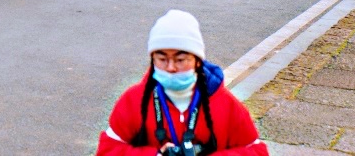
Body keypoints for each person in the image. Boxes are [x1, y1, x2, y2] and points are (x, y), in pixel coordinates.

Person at [95, 9, 267, 155]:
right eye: (162, 59)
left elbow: (257, 150)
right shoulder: (134, 100)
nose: (170, 67)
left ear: (197, 61)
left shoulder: (225, 104)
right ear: (152, 59)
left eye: (180, 59)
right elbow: (107, 149)